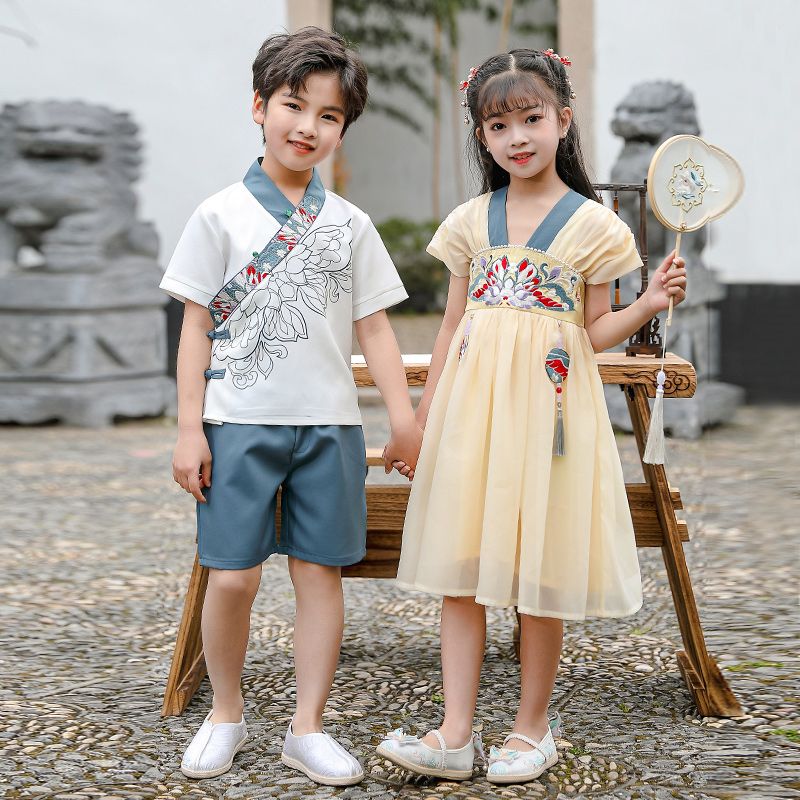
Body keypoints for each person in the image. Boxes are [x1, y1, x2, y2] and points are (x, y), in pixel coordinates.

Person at [376, 48, 687, 784]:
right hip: (473, 417)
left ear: (563, 121)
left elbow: (590, 330)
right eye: (499, 124)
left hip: (548, 416)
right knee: (462, 568)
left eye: (531, 119)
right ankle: (454, 733)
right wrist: (423, 418)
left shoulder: (596, 229)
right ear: (482, 137)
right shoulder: (469, 223)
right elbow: (452, 327)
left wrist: (647, 304)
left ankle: (530, 728)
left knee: (536, 568)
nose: (517, 137)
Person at [161, 27, 421, 786]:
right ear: (259, 106)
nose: (308, 126)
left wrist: (402, 419)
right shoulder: (217, 216)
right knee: (232, 575)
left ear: (344, 130)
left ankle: (307, 727)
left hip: (330, 427)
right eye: (292, 105)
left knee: (320, 575)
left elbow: (373, 326)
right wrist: (187, 429)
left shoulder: (351, 225)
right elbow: (195, 329)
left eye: (329, 116)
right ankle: (226, 713)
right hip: (235, 423)